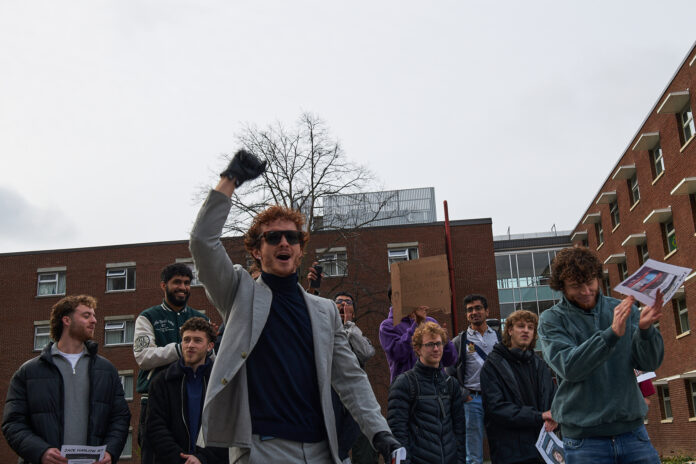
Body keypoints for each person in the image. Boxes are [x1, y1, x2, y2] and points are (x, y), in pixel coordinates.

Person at [189, 150, 400, 464]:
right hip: (263, 449)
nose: (284, 243)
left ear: (301, 250)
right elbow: (203, 241)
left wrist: (380, 432)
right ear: (257, 251)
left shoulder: (325, 311)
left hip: (321, 450)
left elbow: (350, 378)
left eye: (292, 237)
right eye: (273, 237)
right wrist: (230, 179)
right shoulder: (238, 293)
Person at [538, 246, 665, 464]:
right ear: (562, 288)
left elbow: (649, 362)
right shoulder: (551, 320)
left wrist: (646, 331)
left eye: (590, 282)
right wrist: (611, 334)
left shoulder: (623, 309)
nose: (586, 291)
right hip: (584, 440)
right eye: (576, 286)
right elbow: (570, 367)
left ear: (598, 278)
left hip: (633, 433)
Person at [2, 295, 130, 464]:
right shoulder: (28, 372)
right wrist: (41, 452)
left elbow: (120, 418)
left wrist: (111, 451)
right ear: (66, 320)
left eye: (94, 315)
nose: (94, 321)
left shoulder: (107, 370)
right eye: (86, 315)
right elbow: (13, 423)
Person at [133, 263, 210, 464]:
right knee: (156, 454)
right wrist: (180, 349)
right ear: (163, 285)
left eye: (187, 283)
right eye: (177, 282)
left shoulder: (201, 318)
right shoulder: (148, 317)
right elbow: (143, 357)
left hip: (196, 396)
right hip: (155, 399)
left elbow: (211, 360)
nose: (182, 287)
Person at [147, 317, 228, 464]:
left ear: (210, 346)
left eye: (197, 340)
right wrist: (181, 459)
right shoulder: (161, 382)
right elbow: (155, 428)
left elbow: (226, 428)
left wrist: (202, 458)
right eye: (186, 340)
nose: (190, 345)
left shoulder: (221, 383)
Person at [480, 310, 557, 464]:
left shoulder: (539, 364)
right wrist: (538, 416)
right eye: (521, 326)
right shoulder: (493, 365)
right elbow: (496, 408)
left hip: (542, 448)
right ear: (509, 330)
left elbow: (553, 398)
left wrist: (555, 417)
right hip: (511, 451)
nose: (526, 330)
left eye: (530, 327)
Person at [387, 321, 466, 464]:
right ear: (417, 349)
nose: (436, 349)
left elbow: (459, 432)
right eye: (430, 344)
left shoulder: (451, 384)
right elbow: (398, 433)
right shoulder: (404, 383)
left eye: (439, 343)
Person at [448, 294, 500, 464]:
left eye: (478, 308)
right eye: (470, 310)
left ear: (487, 311)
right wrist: (464, 395)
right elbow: (448, 373)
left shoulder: (500, 339)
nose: (474, 312)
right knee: (473, 455)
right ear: (466, 315)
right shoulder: (460, 340)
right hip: (472, 401)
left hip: (497, 400)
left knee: (502, 447)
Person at [379, 286, 457, 383]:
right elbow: (398, 354)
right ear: (394, 300)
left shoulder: (430, 321)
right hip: (407, 388)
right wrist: (417, 324)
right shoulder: (387, 326)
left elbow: (450, 360)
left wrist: (446, 342)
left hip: (436, 386)